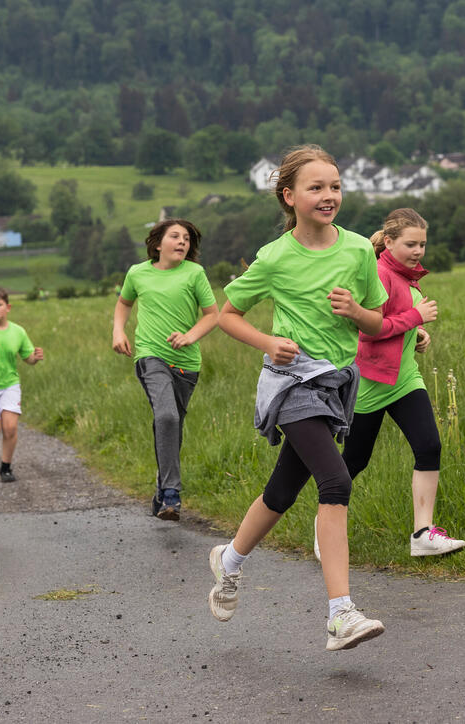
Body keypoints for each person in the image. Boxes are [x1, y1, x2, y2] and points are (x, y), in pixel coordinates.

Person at [206, 145, 389, 651]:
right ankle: (340, 614)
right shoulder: (275, 257)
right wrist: (269, 343)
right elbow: (228, 314)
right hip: (292, 384)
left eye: (335, 186)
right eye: (316, 187)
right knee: (335, 480)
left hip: (336, 385)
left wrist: (356, 311)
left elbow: (377, 320)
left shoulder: (356, 250)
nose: (329, 195)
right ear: (289, 196)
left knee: (282, 491)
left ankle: (231, 560)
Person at [312, 208, 465, 560]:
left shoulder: (405, 275)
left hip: (404, 377)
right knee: (353, 461)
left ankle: (423, 534)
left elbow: (397, 323)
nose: (418, 251)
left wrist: (418, 334)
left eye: (423, 245)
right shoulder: (379, 274)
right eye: (411, 244)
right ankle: (325, 528)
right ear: (390, 241)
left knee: (429, 446)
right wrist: (416, 317)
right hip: (371, 381)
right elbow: (370, 329)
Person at [112, 219, 219, 521]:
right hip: (150, 355)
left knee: (172, 425)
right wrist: (118, 331)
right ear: (158, 243)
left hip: (187, 363)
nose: (182, 242)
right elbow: (123, 304)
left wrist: (190, 336)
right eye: (175, 236)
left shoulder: (195, 273)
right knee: (167, 416)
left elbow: (212, 315)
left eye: (186, 238)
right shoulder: (138, 273)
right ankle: (172, 493)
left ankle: (161, 488)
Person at [0, 287, 43, 483]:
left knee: (10, 428)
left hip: (10, 385)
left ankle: (5, 467)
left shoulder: (18, 331)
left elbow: (28, 358)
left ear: (8, 307)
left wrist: (35, 357)